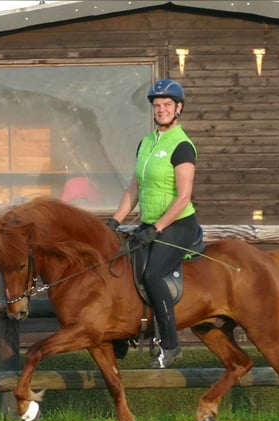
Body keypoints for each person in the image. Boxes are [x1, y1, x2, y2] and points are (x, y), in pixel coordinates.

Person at [107, 79, 201, 369]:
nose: (160, 109)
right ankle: (123, 334)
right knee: (118, 264)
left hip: (178, 226)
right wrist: (113, 221)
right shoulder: (146, 143)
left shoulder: (183, 146)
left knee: (151, 275)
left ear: (178, 109)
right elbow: (133, 189)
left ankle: (171, 345)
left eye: (166, 105)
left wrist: (157, 228)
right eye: (156, 105)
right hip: (149, 226)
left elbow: (183, 197)